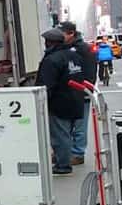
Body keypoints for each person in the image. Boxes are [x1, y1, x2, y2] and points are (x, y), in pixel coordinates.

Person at [36, 28, 87, 175]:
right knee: (68, 133)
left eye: (47, 42)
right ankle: (64, 159)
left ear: (51, 43)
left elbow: (46, 84)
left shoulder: (52, 60)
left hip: (59, 103)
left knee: (60, 136)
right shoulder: (73, 56)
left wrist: (43, 102)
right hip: (75, 100)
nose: (45, 44)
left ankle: (63, 165)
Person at [59, 20, 97, 166]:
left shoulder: (83, 49)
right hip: (69, 92)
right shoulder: (67, 47)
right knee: (68, 125)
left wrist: (87, 88)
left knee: (80, 125)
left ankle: (78, 153)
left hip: (81, 92)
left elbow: (90, 71)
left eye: (62, 32)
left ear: (71, 34)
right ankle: (68, 152)